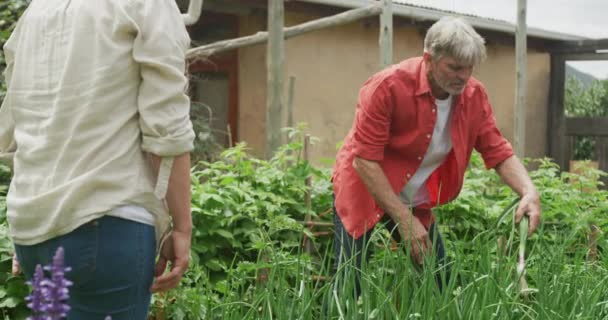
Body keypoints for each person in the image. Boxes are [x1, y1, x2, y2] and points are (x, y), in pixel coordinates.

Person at [0, 0, 195, 318]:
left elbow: (17, 125)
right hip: (108, 223)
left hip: (32, 229)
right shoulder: (147, 4)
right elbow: (167, 130)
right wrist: (182, 228)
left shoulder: (35, 11)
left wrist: (38, 219)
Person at [331, 16, 542, 295]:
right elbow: (364, 160)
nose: (463, 77)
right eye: (454, 67)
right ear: (428, 59)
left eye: (468, 68)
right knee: (348, 282)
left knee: (441, 280)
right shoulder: (387, 87)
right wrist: (405, 222)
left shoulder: (473, 95)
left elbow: (497, 150)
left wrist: (528, 191)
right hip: (364, 188)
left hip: (411, 197)